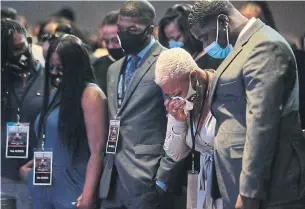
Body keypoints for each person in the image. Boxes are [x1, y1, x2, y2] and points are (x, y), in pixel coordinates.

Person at [188, 0, 305, 209]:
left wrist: (250, 190)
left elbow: (262, 122)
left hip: (266, 187)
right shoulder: (243, 46)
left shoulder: (263, 45)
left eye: (205, 36)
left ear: (223, 21)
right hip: (238, 176)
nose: (205, 44)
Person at [99, 1, 183, 209]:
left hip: (148, 177)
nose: (124, 35)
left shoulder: (168, 61)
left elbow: (181, 122)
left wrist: (164, 178)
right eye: (120, 29)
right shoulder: (113, 68)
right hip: (112, 179)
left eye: (132, 30)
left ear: (150, 29)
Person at [20, 35, 107, 209]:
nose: (53, 72)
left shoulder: (90, 95)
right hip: (44, 186)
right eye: (51, 66)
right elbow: (48, 140)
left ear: (75, 67)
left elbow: (97, 152)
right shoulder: (57, 93)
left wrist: (88, 196)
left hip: (73, 189)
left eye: (60, 67)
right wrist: (27, 171)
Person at [155, 48, 223, 209]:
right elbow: (175, 154)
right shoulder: (181, 102)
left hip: (228, 180)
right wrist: (178, 121)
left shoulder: (224, 90)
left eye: (177, 92)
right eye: (169, 95)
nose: (174, 99)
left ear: (193, 76)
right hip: (203, 183)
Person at [1, 18, 45, 209]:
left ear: (29, 41)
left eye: (19, 47)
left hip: (39, 173)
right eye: (9, 52)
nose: (17, 55)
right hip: (4, 177)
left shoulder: (51, 78)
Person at [93, 10, 124, 95]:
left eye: (116, 41)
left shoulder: (143, 66)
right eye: (106, 42)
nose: (110, 46)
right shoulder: (98, 66)